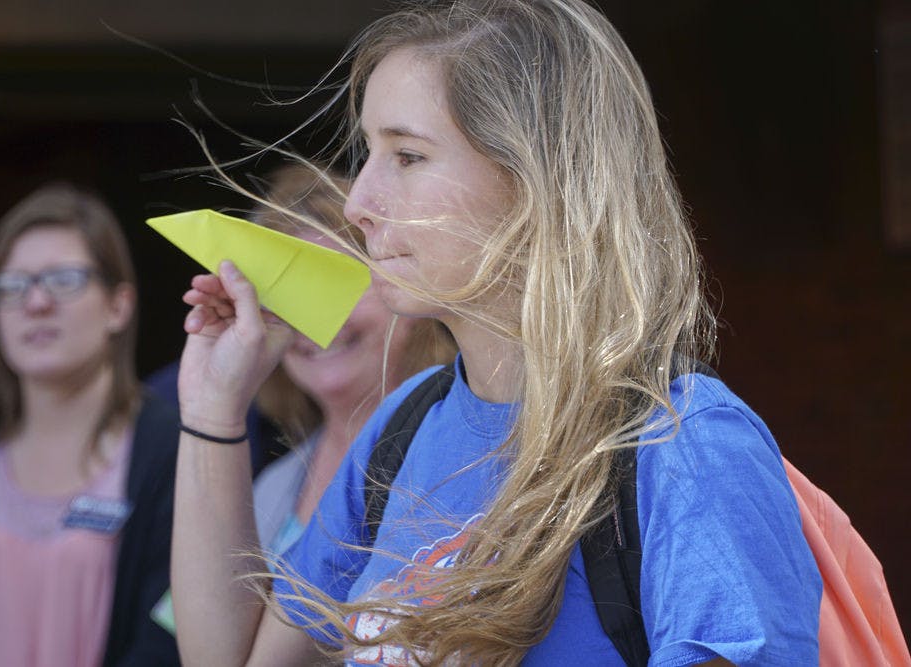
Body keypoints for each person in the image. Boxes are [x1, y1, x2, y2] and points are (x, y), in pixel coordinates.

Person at [170, 1, 822, 665]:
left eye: (407, 156)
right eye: (368, 153)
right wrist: (212, 407)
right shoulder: (404, 427)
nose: (359, 205)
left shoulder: (681, 439)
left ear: (538, 177)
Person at [0, 182, 181, 666]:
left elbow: (174, 633)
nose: (35, 303)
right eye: (11, 288)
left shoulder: (172, 452)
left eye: (63, 280)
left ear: (119, 305)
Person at [247, 164, 457, 555]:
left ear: (403, 289)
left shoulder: (461, 454)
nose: (314, 322)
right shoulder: (272, 484)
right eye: (287, 295)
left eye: (336, 284)